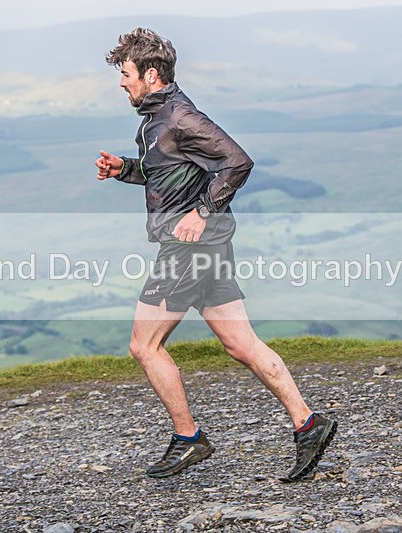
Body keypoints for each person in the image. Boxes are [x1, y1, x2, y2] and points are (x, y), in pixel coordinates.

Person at [94, 27, 336, 481]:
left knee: (144, 346)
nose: (120, 82)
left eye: (125, 74)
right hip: (208, 248)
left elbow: (238, 161)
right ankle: (309, 423)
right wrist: (123, 169)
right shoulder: (154, 120)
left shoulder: (181, 117)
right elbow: (162, 172)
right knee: (240, 343)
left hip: (189, 249)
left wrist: (202, 211)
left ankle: (189, 438)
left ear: (150, 74)